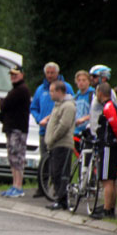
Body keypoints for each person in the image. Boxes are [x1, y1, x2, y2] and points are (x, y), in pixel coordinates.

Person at [30, 62, 74, 197]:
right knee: (45, 160)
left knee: (58, 166)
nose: (49, 75)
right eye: (47, 73)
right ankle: (42, 188)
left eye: (52, 73)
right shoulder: (40, 89)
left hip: (58, 134)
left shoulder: (66, 88)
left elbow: (71, 103)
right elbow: (33, 107)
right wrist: (39, 119)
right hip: (45, 131)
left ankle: (58, 192)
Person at [93, 82, 117, 219]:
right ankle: (110, 208)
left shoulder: (108, 107)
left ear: (100, 93)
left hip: (108, 146)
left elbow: (116, 127)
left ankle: (107, 209)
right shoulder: (110, 106)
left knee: (107, 179)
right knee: (111, 179)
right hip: (112, 146)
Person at [0, 65, 31, 197]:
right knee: (12, 157)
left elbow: (5, 104)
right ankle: (14, 184)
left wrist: (3, 102)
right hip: (12, 128)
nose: (13, 77)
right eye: (11, 74)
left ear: (22, 75)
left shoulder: (21, 90)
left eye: (16, 74)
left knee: (17, 157)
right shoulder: (16, 89)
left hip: (18, 129)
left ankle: (18, 186)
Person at [43, 81, 76, 210]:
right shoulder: (58, 105)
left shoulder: (68, 106)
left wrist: (52, 137)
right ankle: (59, 198)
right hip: (54, 145)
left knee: (61, 173)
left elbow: (64, 125)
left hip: (62, 144)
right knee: (54, 173)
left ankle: (63, 200)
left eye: (52, 91)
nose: (50, 94)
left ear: (59, 91)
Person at [88, 65, 114, 133]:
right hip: (94, 134)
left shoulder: (109, 92)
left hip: (103, 135)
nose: (91, 78)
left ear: (104, 78)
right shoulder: (95, 93)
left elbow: (112, 113)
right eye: (90, 76)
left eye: (94, 76)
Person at [73, 70, 94, 136]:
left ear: (89, 81)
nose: (81, 82)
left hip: (89, 131)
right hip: (76, 131)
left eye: (84, 80)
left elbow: (97, 112)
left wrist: (83, 119)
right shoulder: (76, 97)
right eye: (79, 80)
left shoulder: (93, 94)